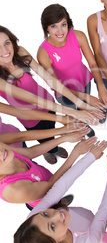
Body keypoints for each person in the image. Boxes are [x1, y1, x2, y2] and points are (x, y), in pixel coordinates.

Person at [14, 143, 107, 243]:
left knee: (55, 202)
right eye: (52, 227)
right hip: (92, 235)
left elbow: (60, 186)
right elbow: (104, 214)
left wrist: (90, 157)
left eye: (46, 215)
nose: (57, 214)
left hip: (81, 216)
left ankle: (61, 205)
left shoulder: (35, 217)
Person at [0, 25, 101, 163]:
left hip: (49, 103)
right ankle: (49, 151)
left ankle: (53, 146)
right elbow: (33, 100)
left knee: (53, 126)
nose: (5, 50)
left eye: (7, 43)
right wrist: (74, 112)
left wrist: (81, 104)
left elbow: (49, 79)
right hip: (30, 116)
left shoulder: (21, 53)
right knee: (44, 138)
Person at [37, 3, 107, 116]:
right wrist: (87, 97)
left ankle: (88, 122)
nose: (60, 31)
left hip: (83, 81)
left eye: (63, 24)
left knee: (85, 109)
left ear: (68, 23)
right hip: (64, 92)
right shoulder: (43, 53)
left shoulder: (78, 36)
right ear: (46, 28)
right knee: (73, 113)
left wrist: (101, 86)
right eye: (53, 26)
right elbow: (56, 85)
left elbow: (92, 63)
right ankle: (80, 127)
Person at [0, 131, 90, 208]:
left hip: (42, 179)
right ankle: (58, 205)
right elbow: (51, 186)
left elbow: (30, 153)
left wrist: (64, 138)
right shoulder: (14, 190)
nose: (0, 151)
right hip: (45, 199)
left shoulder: (4, 153)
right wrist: (76, 153)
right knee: (52, 208)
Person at [0, 101, 85, 148]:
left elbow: (19, 112)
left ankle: (52, 150)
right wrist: (62, 132)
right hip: (12, 154)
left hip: (14, 134)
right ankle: (52, 151)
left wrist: (62, 120)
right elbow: (20, 137)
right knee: (44, 143)